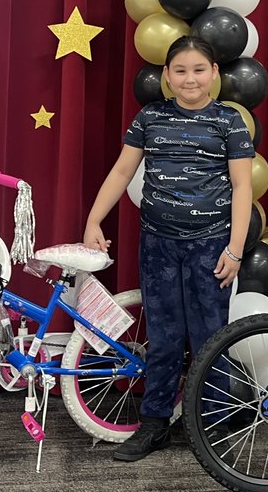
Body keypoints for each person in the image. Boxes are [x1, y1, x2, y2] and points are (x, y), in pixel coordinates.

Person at [83, 35, 254, 462]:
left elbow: (242, 187)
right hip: (158, 244)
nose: (189, 78)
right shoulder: (150, 117)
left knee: (209, 337)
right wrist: (93, 219)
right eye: (180, 70)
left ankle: (211, 424)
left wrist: (234, 250)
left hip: (211, 245)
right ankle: (155, 424)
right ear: (166, 77)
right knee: (162, 338)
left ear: (214, 74)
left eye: (199, 69)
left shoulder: (229, 122)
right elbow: (123, 170)